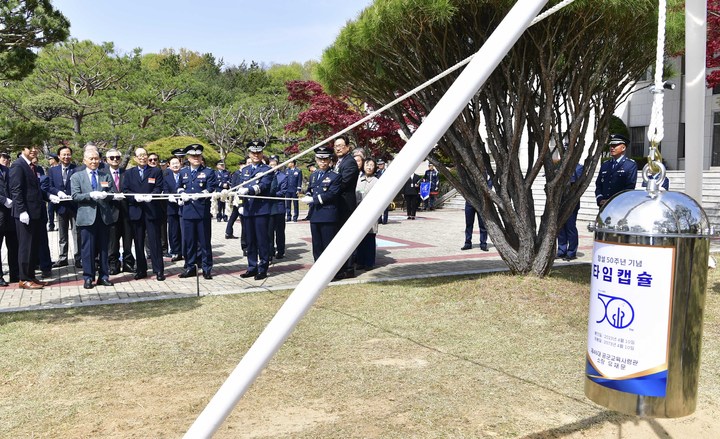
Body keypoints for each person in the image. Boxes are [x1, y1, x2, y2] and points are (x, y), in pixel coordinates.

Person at [71, 149, 122, 289]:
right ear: (84, 161)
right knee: (87, 249)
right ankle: (88, 277)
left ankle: (104, 276)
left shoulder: (105, 175)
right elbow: (75, 196)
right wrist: (90, 195)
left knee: (104, 249)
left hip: (104, 217)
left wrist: (106, 196)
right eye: (91, 159)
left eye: (96, 159)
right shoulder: (77, 176)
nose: (94, 161)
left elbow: (112, 193)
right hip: (87, 218)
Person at [121, 147, 165, 281]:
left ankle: (159, 270)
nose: (142, 157)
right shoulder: (129, 173)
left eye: (144, 155)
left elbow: (159, 187)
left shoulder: (155, 171)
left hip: (151, 210)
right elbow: (125, 190)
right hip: (136, 211)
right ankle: (141, 269)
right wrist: (134, 198)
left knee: (155, 242)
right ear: (135, 158)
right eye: (139, 155)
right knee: (138, 242)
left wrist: (151, 196)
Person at [9, 145, 48, 289]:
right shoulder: (18, 166)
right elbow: (16, 190)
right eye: (29, 147)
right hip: (25, 213)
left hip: (35, 213)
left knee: (33, 246)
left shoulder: (32, 166)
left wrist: (50, 196)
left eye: (35, 147)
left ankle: (31, 276)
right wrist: (22, 211)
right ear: (22, 148)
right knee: (25, 247)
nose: (33, 150)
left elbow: (35, 189)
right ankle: (24, 278)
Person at [176, 144, 216, 279]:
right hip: (187, 211)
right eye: (193, 156)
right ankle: (190, 267)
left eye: (198, 155)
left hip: (201, 211)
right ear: (188, 157)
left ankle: (206, 268)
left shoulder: (209, 172)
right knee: (189, 242)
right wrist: (182, 193)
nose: (196, 158)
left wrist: (200, 194)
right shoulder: (183, 172)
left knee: (204, 242)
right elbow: (179, 186)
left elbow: (211, 187)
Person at [237, 140, 273, 280]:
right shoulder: (244, 170)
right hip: (248, 210)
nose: (256, 155)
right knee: (250, 240)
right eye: (253, 152)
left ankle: (263, 268)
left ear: (262, 153)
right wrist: (240, 205)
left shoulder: (267, 170)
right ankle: (252, 267)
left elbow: (264, 186)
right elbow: (239, 189)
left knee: (262, 240)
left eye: (258, 152)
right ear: (249, 154)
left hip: (261, 210)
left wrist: (249, 189)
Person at [302, 146, 341, 262]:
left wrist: (314, 199)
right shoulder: (314, 175)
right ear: (316, 159)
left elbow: (332, 194)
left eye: (325, 159)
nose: (323, 162)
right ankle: (318, 267)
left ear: (330, 160)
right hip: (315, 214)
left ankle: (329, 271)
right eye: (320, 159)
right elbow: (310, 189)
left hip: (327, 215)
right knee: (317, 245)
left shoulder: (335, 176)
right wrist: (308, 194)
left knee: (327, 245)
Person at [47, 145, 81, 268]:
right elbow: (49, 186)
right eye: (64, 154)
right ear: (59, 156)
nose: (66, 157)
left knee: (77, 233)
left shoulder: (77, 169)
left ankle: (78, 257)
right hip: (60, 206)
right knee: (62, 234)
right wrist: (57, 192)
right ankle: (63, 257)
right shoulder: (52, 170)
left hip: (74, 206)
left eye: (68, 154)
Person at [332, 135, 359, 279]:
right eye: (336, 145)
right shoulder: (338, 162)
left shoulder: (349, 163)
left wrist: (328, 191)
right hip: (338, 205)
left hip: (345, 205)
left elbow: (342, 183)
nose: (338, 148)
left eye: (341, 145)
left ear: (348, 147)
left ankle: (348, 268)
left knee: (345, 238)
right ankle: (341, 266)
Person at [105, 149, 135, 274]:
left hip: (126, 212)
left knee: (128, 241)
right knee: (112, 243)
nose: (115, 159)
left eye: (117, 157)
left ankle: (128, 263)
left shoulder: (127, 173)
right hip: (111, 213)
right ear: (107, 160)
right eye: (112, 157)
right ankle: (113, 265)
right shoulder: (103, 174)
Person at [595, 134, 638, 207]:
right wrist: (600, 198)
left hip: (619, 206)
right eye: (611, 145)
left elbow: (629, 187)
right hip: (604, 206)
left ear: (623, 148)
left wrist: (612, 200)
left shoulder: (630, 165)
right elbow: (598, 184)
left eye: (615, 146)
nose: (612, 148)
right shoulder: (605, 165)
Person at [556, 163, 584, 261]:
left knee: (570, 227)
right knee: (561, 228)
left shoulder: (579, 167)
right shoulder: (560, 165)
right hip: (560, 201)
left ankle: (571, 252)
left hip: (572, 202)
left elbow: (576, 183)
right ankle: (561, 250)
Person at [355, 158, 379, 270]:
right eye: (367, 165)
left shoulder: (376, 181)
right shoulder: (358, 180)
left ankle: (369, 263)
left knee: (369, 238)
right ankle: (360, 261)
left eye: (371, 165)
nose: (369, 167)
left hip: (370, 214)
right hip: (358, 214)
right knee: (360, 238)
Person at [0, 152, 18, 286]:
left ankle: (15, 274)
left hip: (10, 214)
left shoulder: (7, 170)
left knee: (13, 245)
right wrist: (3, 200)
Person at [267, 156, 288, 259]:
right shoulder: (265, 176)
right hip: (269, 208)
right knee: (269, 232)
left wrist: (272, 194)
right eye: (270, 165)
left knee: (280, 231)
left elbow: (283, 191)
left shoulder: (283, 177)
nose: (272, 167)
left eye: (274, 164)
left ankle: (280, 251)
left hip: (279, 207)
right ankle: (270, 252)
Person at [164, 156, 184, 262]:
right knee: (173, 230)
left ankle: (184, 250)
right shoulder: (166, 176)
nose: (175, 165)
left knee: (184, 230)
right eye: (173, 163)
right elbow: (165, 189)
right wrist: (169, 196)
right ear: (169, 165)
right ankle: (175, 251)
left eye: (177, 163)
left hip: (184, 206)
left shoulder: (185, 174)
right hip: (171, 207)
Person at [46, 152, 59, 231]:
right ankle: (51, 225)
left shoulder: (59, 168)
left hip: (58, 193)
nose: (49, 161)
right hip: (51, 193)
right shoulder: (49, 169)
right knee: (50, 210)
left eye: (50, 159)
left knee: (59, 211)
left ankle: (59, 225)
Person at [375, 159, 389, 224]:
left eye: (381, 164)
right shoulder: (376, 173)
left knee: (385, 207)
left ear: (384, 164)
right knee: (378, 206)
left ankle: (385, 220)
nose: (380, 165)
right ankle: (379, 219)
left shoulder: (388, 172)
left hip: (386, 191)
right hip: (378, 191)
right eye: (379, 164)